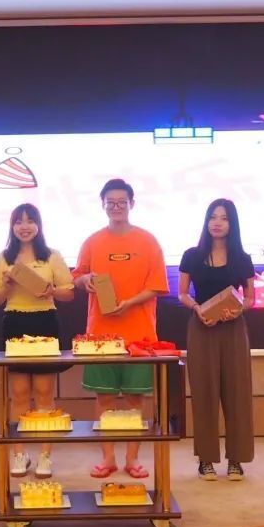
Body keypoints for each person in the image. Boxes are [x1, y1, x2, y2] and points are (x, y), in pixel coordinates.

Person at [72, 178, 169, 480]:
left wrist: (128, 303)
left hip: (140, 336)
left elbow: (157, 286)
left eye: (121, 202)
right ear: (103, 205)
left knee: (135, 399)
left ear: (131, 204)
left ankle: (132, 459)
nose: (116, 207)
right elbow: (77, 276)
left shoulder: (148, 241)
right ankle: (108, 458)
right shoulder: (93, 241)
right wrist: (84, 280)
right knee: (103, 398)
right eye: (110, 202)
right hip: (101, 336)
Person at [0, 203, 74, 479]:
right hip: (14, 323)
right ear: (12, 226)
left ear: (38, 225)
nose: (24, 227)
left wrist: (51, 291)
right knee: (20, 393)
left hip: (45, 321)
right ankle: (19, 453)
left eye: (30, 221)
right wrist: (7, 286)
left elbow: (69, 293)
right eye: (18, 222)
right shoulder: (4, 258)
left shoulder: (52, 256)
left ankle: (45, 455)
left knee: (44, 392)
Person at [178, 198, 256, 481]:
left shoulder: (242, 258)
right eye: (213, 217)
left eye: (224, 218)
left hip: (233, 329)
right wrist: (197, 308)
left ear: (232, 224)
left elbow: (250, 298)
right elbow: (182, 293)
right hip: (201, 328)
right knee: (204, 393)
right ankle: (206, 460)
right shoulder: (192, 255)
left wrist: (236, 310)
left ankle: (236, 459)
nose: (217, 223)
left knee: (237, 392)